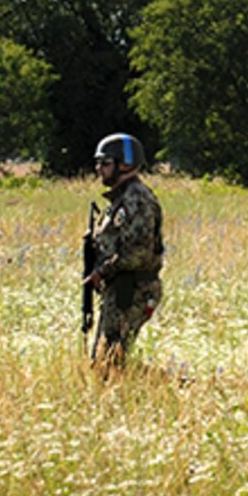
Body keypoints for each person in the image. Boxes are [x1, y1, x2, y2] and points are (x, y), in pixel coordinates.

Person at [84, 132, 165, 368]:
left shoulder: (137, 200)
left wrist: (104, 270)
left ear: (126, 164)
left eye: (106, 163)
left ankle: (171, 390)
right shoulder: (120, 200)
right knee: (105, 361)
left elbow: (139, 253)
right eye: (98, 163)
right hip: (120, 288)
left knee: (109, 363)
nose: (99, 169)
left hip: (132, 289)